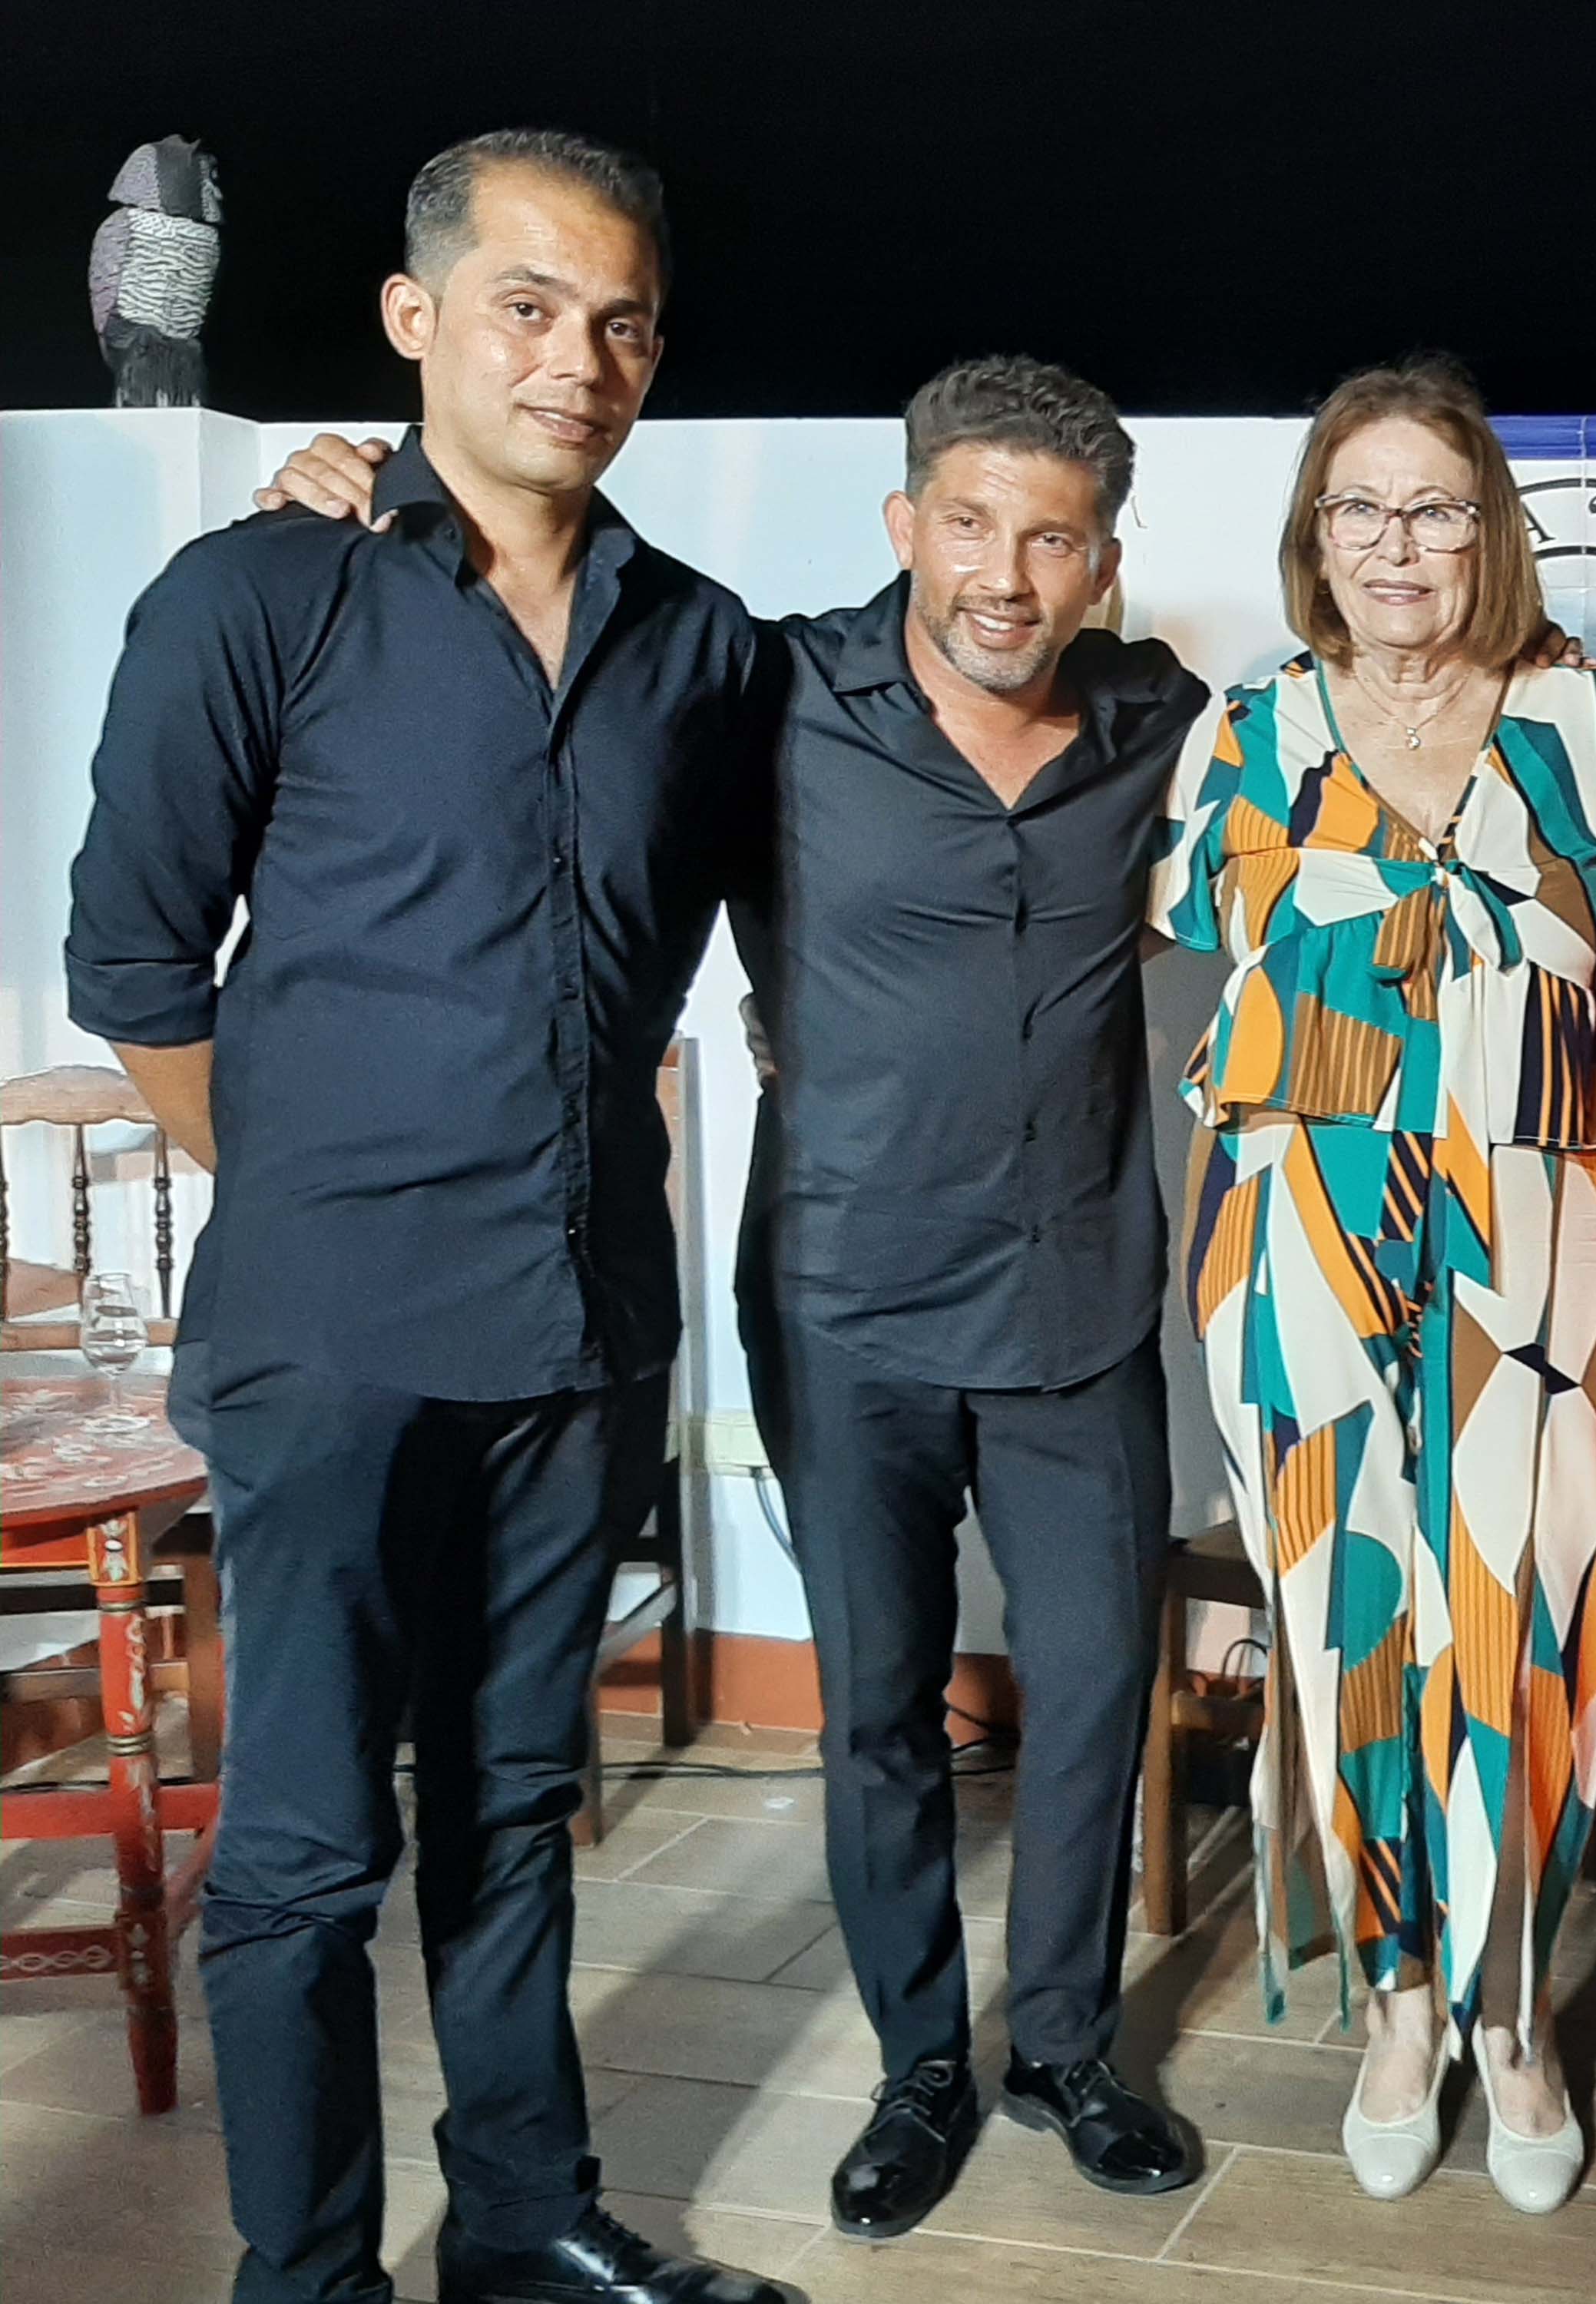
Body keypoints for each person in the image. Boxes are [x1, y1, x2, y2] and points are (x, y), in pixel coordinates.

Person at [256, 356, 1223, 2242]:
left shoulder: (1158, 716)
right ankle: (923, 2067)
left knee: (1100, 1689)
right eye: (968, 524)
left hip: (1082, 1295)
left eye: (1051, 540)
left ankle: (1065, 2049)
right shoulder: (769, 689)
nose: (1004, 574)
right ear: (904, 525)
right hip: (846, 1296)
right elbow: (546, 650)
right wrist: (371, 509)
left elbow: (1361, 725)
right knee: (879, 1709)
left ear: (1105, 565)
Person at [64, 132, 784, 2304]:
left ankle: (526, 2223)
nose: (580, 360)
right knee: (301, 1847)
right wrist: (307, 1189)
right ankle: (305, 2279)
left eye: (622, 321)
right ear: (414, 318)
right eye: (528, 307)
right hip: (333, 1335)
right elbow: (135, 969)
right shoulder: (255, 596)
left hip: (581, 1326)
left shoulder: (702, 643)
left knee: (511, 1805)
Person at [1154, 358, 1596, 2215]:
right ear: (1316, 533)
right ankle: (1396, 2005)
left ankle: (1511, 2011)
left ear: (1491, 533)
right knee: (1351, 1620)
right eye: (1361, 508)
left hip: (1541, 1239)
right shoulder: (1248, 730)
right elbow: (1202, 964)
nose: (1397, 545)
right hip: (1301, 1228)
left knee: (1525, 1624)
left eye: (1437, 508)